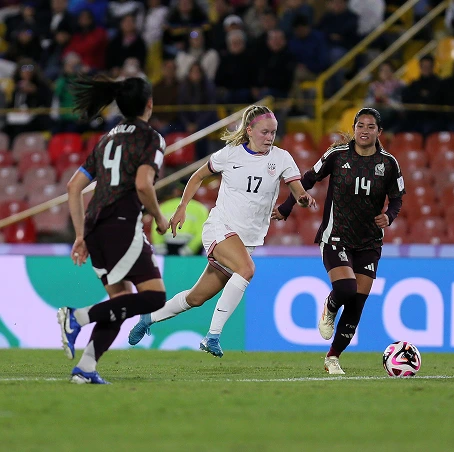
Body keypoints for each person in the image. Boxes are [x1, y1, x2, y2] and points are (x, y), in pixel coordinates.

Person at [128, 105, 316, 357]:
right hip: (220, 227)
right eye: (264, 132)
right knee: (246, 269)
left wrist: (302, 198)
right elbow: (197, 176)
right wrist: (182, 207)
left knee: (196, 298)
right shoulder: (230, 154)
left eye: (273, 132)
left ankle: (148, 318)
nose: (270, 137)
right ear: (249, 130)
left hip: (247, 239)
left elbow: (297, 188)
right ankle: (213, 336)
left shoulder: (281, 158)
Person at [273, 107, 406, 375]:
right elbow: (308, 179)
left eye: (370, 126)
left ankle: (333, 357)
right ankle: (330, 306)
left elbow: (397, 198)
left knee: (357, 303)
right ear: (354, 129)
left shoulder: (389, 164)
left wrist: (389, 216)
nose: (364, 131)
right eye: (360, 125)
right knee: (346, 289)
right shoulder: (337, 155)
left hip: (370, 241)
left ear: (379, 132)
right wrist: (287, 207)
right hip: (336, 235)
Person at [57, 75, 170, 384]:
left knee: (119, 301)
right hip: (121, 224)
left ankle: (86, 368)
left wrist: (80, 236)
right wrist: (159, 217)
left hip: (95, 228)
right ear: (149, 104)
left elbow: (73, 187)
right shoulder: (151, 138)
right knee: (154, 298)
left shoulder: (107, 139)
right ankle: (77, 316)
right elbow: (143, 184)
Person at [151, 183, 209, 256]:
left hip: (167, 248)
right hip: (191, 253)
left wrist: (161, 250)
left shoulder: (164, 206)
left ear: (175, 191)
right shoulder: (200, 208)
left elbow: (156, 229)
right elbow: (201, 233)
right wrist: (187, 250)